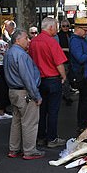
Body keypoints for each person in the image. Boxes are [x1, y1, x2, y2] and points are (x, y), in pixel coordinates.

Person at [4, 29, 45, 160]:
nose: (29, 41)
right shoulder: (21, 55)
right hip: (24, 92)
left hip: (13, 91)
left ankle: (14, 149)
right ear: (17, 40)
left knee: (16, 121)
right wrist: (36, 95)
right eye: (26, 38)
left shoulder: (9, 52)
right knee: (29, 122)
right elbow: (27, 77)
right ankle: (29, 150)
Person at [29, 17, 67, 149]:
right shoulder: (51, 42)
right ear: (50, 27)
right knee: (53, 111)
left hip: (38, 80)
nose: (57, 29)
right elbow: (59, 63)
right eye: (56, 27)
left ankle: (40, 137)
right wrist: (64, 76)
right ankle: (52, 138)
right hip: (52, 79)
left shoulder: (33, 42)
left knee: (41, 110)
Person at [57, 19, 73, 106]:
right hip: (64, 60)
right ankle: (67, 96)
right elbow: (57, 48)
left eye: (67, 26)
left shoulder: (71, 34)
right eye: (63, 26)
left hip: (72, 59)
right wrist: (66, 49)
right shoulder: (58, 36)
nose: (65, 28)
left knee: (69, 78)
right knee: (65, 79)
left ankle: (67, 93)